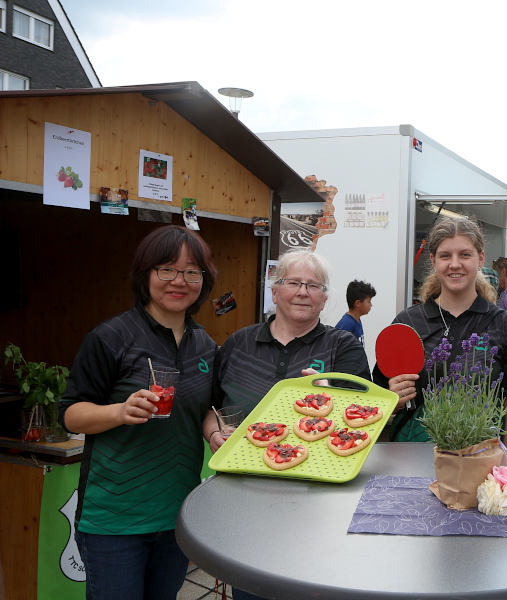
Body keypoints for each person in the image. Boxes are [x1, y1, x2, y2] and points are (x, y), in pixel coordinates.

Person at [59, 225, 218, 600]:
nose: (179, 280)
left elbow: (205, 412)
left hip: (177, 515)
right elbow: (70, 414)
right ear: (145, 274)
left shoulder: (206, 345)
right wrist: (120, 411)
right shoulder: (111, 337)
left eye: (192, 272)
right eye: (166, 269)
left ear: (203, 281)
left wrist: (215, 431)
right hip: (114, 518)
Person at [373, 216, 507, 447]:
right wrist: (393, 400)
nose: (455, 264)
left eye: (465, 255)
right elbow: (378, 401)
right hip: (412, 455)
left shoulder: (506, 326)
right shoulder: (407, 323)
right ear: (434, 260)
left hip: (479, 459)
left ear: (480, 259)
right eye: (445, 256)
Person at [209, 249, 371, 451]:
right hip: (238, 469)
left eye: (313, 286)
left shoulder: (343, 347)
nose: (302, 292)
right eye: (293, 283)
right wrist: (215, 432)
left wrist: (330, 400)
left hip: (314, 477)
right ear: (274, 293)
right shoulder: (238, 343)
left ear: (324, 300)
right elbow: (210, 407)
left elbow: (363, 422)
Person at [335, 279, 376, 344]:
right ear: (358, 303)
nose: (371, 305)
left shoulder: (357, 320)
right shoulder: (346, 324)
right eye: (369, 302)